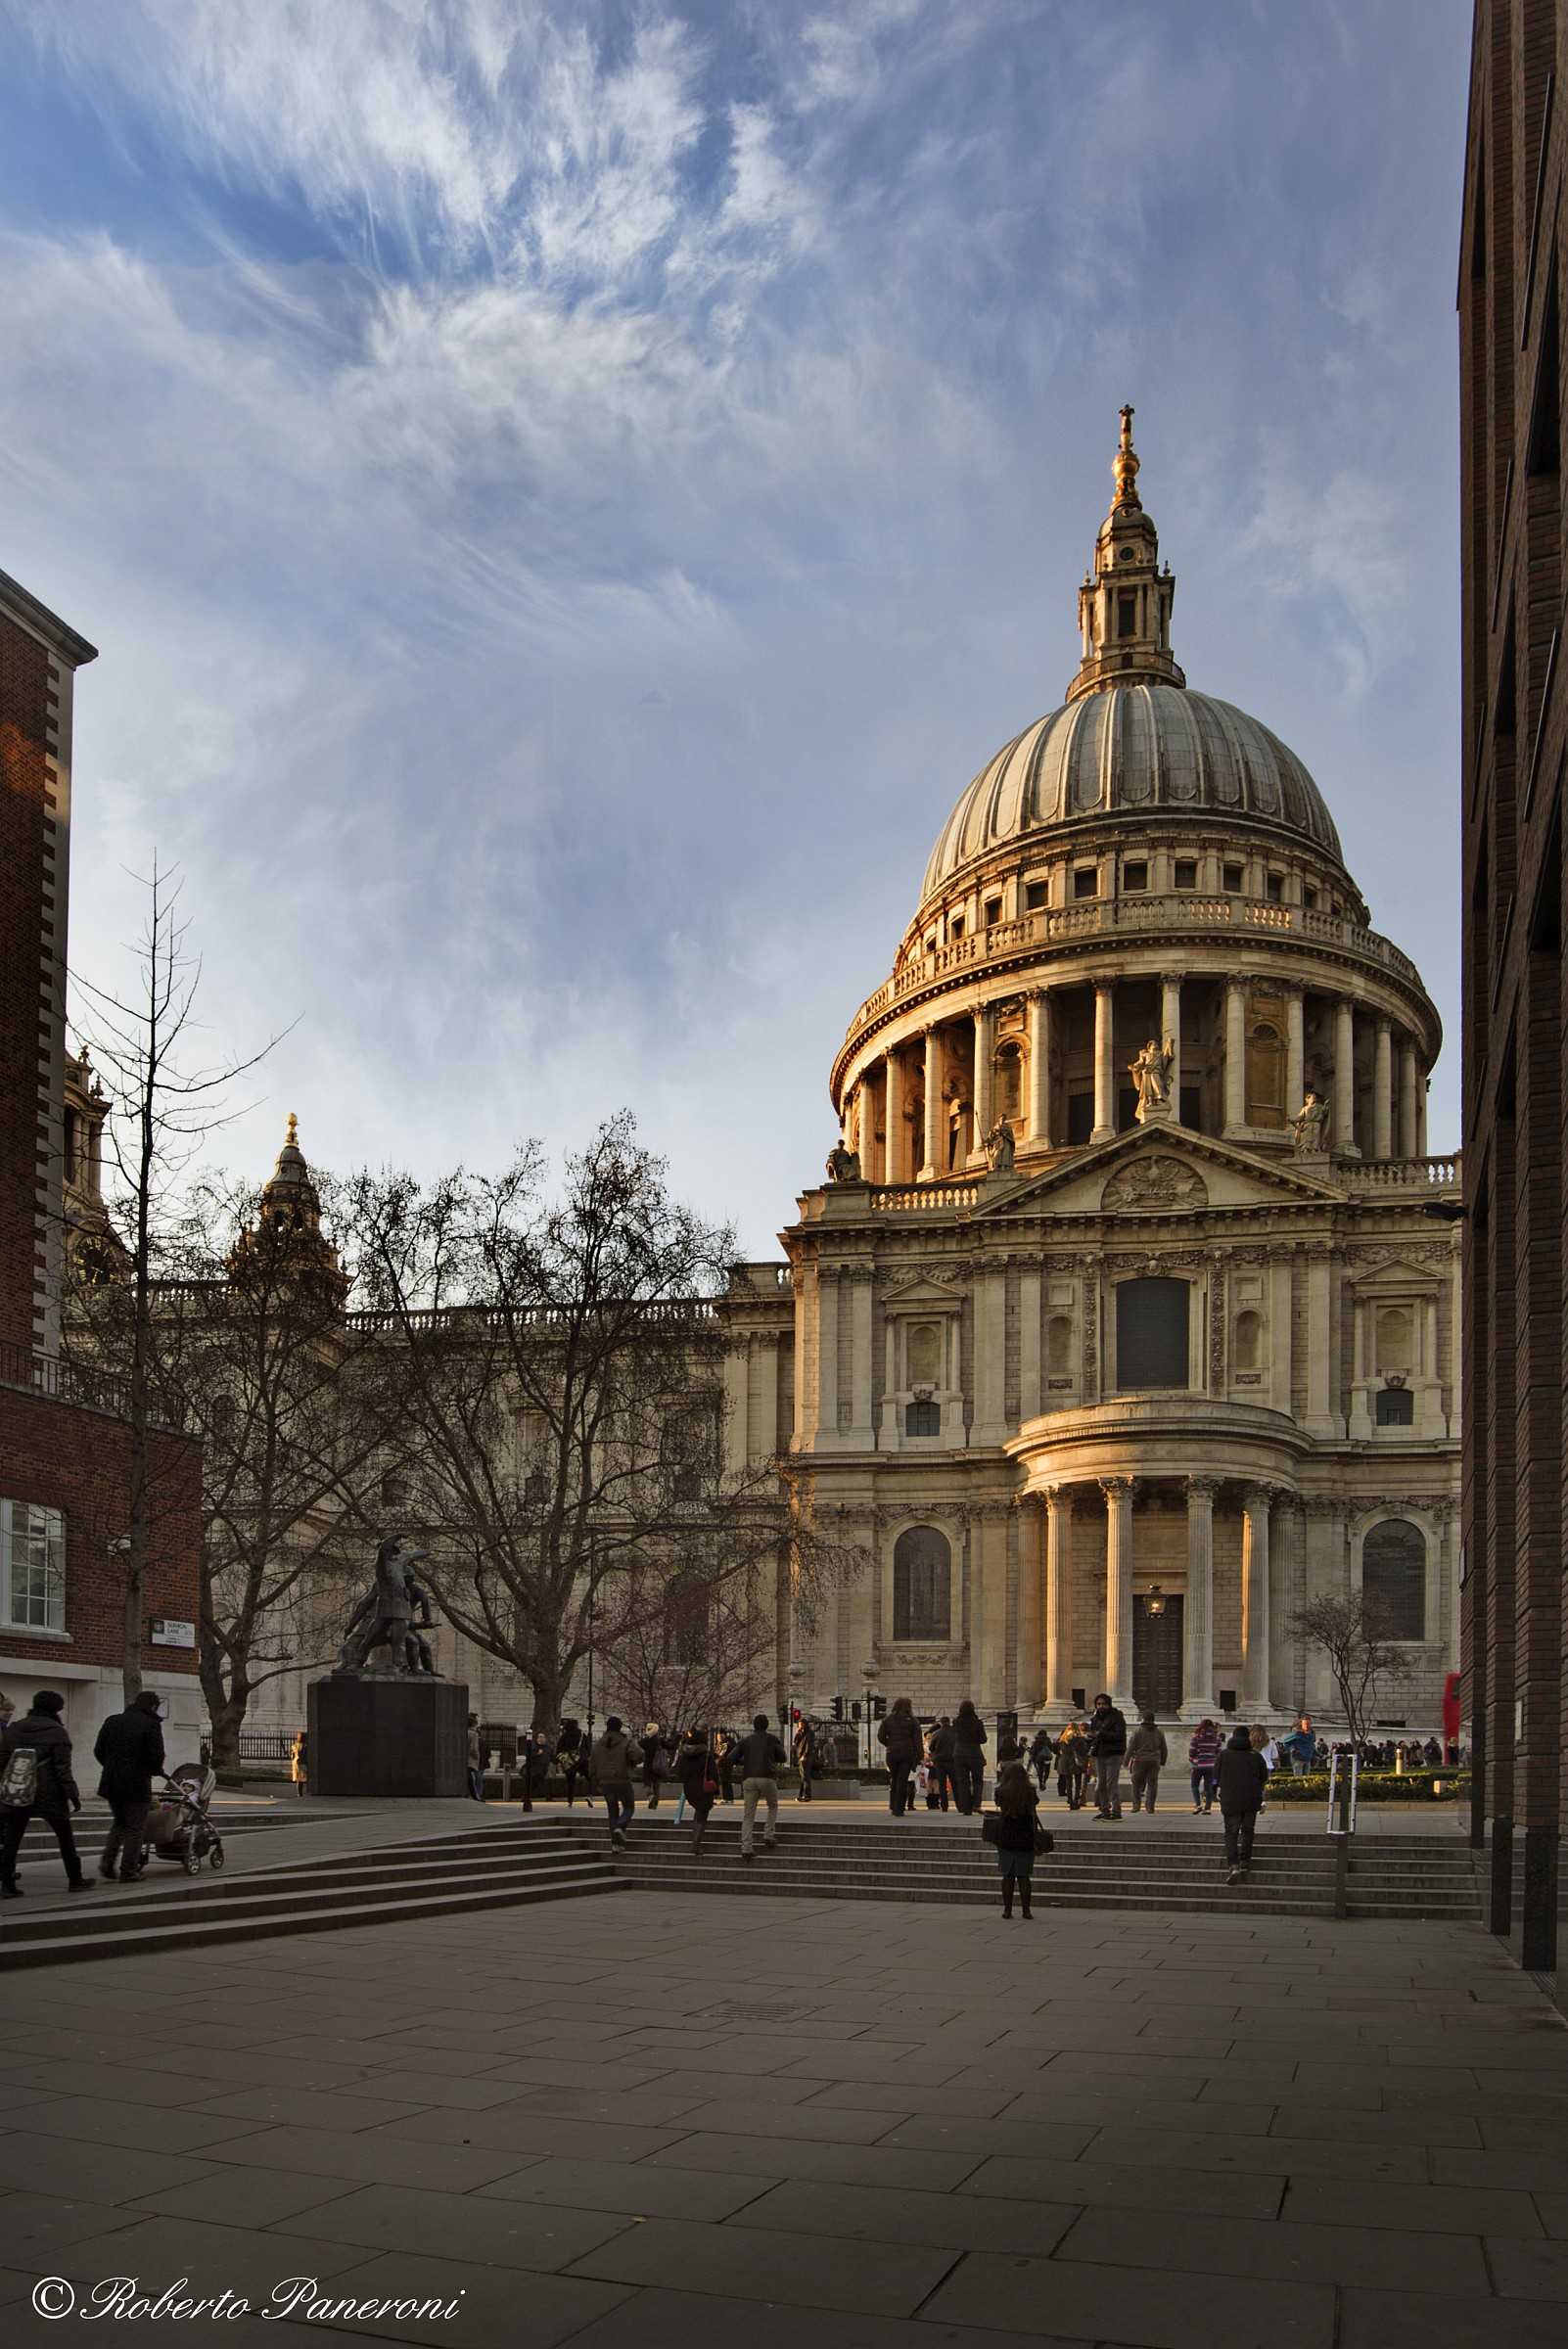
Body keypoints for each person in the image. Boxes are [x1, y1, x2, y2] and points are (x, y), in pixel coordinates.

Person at [0, 1691, 92, 1896]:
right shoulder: (57, 1732)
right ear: (56, 1709)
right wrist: (73, 1795)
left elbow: (3, 1761)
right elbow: (62, 1770)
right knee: (64, 1836)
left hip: (18, 1790)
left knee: (12, 1838)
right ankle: (75, 1879)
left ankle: (7, 1884)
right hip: (49, 1792)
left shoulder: (14, 1729)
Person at [93, 1689, 165, 1882]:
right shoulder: (150, 1724)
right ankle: (129, 1869)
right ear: (153, 1706)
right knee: (135, 1827)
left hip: (111, 1781)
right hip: (137, 1782)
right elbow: (156, 1756)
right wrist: (154, 1770)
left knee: (120, 1822)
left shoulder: (112, 1721)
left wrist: (111, 1766)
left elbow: (99, 1750)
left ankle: (108, 1860)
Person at [990, 1759, 1040, 1920]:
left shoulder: (1001, 1791)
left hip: (1006, 1836)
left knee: (1008, 1875)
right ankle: (1026, 1911)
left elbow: (998, 1803)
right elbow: (1034, 1807)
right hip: (1025, 1836)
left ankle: (1007, 1910)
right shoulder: (1030, 1791)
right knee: (1024, 1875)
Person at [1218, 1725, 1268, 1881]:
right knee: (1248, 1830)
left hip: (1230, 1799)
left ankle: (1233, 1865)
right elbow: (1263, 1777)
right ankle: (1245, 1860)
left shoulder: (1223, 1755)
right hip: (1251, 1800)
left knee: (1231, 1833)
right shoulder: (1255, 1755)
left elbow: (1215, 1775)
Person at [586, 1716, 643, 1849]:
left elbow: (591, 1767)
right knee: (629, 1807)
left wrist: (596, 1782)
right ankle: (620, 1826)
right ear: (620, 1727)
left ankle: (616, 1844)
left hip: (605, 1782)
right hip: (622, 1779)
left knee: (612, 1812)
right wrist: (631, 1763)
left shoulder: (598, 1744)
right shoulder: (626, 1742)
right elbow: (639, 1755)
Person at [736, 1713, 786, 1861]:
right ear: (767, 1726)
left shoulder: (746, 1741)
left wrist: (746, 1761)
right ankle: (768, 1835)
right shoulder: (772, 1739)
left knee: (748, 1815)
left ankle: (746, 1848)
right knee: (772, 1805)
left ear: (754, 1725)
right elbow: (783, 1757)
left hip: (749, 1778)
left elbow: (732, 1757)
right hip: (767, 1776)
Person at [675, 1727, 719, 1856]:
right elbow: (714, 1773)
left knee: (698, 1810)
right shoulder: (707, 1754)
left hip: (689, 1788)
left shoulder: (685, 1753)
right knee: (702, 1814)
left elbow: (679, 1772)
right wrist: (716, 1789)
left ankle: (695, 1838)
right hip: (703, 1787)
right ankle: (696, 1843)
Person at [878, 1696, 923, 1817]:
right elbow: (917, 1741)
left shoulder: (888, 1719)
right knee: (902, 1781)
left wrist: (889, 1744)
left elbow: (880, 1736)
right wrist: (920, 1756)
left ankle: (893, 1806)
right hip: (907, 1754)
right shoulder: (913, 1721)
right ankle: (899, 1808)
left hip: (892, 1754)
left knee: (894, 1779)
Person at [1086, 1693, 1128, 1819]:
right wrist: (1089, 1738)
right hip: (1100, 1754)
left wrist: (1100, 1734)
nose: (1101, 1706)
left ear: (1109, 1704)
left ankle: (1116, 1811)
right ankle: (1104, 1810)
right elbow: (1096, 1737)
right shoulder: (1095, 1720)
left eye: (1103, 1704)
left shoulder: (1117, 1717)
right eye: (1099, 1704)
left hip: (1114, 1754)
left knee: (1111, 1784)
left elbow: (1119, 1735)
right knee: (1101, 1784)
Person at [1127, 1713, 1168, 1814]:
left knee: (1136, 1783)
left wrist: (1126, 1760)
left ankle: (1136, 1805)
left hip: (1140, 1759)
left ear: (1143, 1719)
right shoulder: (1159, 1732)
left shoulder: (1138, 1731)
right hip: (1154, 1760)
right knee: (1152, 1784)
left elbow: (1131, 1747)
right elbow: (1164, 1748)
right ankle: (1150, 1807)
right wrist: (1163, 1760)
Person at [951, 1701, 988, 1815]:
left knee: (963, 1781)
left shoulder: (956, 1722)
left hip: (959, 1754)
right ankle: (976, 1804)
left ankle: (966, 1808)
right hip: (974, 1753)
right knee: (977, 1779)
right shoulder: (977, 1722)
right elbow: (983, 1739)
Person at [1187, 1718, 1221, 1814]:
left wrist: (1193, 1760)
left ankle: (1198, 1805)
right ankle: (1207, 1808)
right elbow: (1219, 1753)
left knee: (1194, 1786)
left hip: (1198, 1765)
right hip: (1211, 1765)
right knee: (1208, 1787)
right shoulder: (1217, 1738)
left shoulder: (1197, 1736)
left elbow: (1192, 1752)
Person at [1055, 1719, 1088, 1808]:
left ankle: (1070, 1800)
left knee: (1068, 1782)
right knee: (1078, 1782)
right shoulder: (1079, 1738)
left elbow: (1056, 1749)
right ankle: (1076, 1800)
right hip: (1076, 1761)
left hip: (1065, 1760)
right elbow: (1083, 1750)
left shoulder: (1062, 1739)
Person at [927, 1716, 955, 1811]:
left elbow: (931, 1748)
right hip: (952, 1761)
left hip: (939, 1761)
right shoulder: (955, 1732)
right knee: (955, 1783)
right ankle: (960, 1805)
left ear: (941, 1723)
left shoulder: (936, 1733)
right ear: (949, 1722)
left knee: (942, 1784)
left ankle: (944, 1806)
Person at [557, 1719, 588, 1807]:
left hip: (569, 1761)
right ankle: (589, 1794)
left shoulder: (564, 1736)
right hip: (581, 1760)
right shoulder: (582, 1735)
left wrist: (558, 1761)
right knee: (590, 1778)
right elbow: (588, 1748)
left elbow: (559, 1749)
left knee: (570, 1782)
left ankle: (570, 1801)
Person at [642, 1722, 670, 1809]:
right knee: (657, 1786)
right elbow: (670, 1746)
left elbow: (638, 1751)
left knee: (646, 1784)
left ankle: (650, 1796)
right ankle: (655, 1805)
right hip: (658, 1766)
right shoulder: (659, 1741)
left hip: (648, 1765)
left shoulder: (644, 1741)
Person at [793, 1717, 820, 1803]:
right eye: (798, 1725)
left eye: (801, 1725)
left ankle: (807, 1795)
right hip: (800, 1756)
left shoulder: (809, 1733)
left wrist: (805, 1755)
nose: (799, 1726)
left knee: (806, 1776)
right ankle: (801, 1795)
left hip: (806, 1757)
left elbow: (809, 1745)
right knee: (803, 1777)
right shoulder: (801, 1733)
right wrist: (797, 1734)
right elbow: (796, 1743)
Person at [1028, 1725, 1055, 1792]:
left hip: (1039, 1758)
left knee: (1040, 1771)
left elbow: (1034, 1750)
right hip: (1047, 1757)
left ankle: (1040, 1784)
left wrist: (1032, 1757)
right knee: (1047, 1771)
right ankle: (1044, 1782)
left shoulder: (1037, 1740)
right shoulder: (1047, 1740)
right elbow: (1051, 1748)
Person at [467, 1715, 486, 1801]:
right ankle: (476, 1797)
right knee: (471, 1780)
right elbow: (474, 1749)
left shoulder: (463, 1732)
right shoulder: (473, 1734)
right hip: (470, 1761)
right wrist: (477, 1757)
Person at [290, 1727, 308, 1797]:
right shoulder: (305, 1745)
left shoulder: (294, 1746)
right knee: (305, 1777)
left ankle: (299, 1793)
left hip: (296, 1763)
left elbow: (292, 1755)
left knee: (299, 1779)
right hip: (304, 1763)